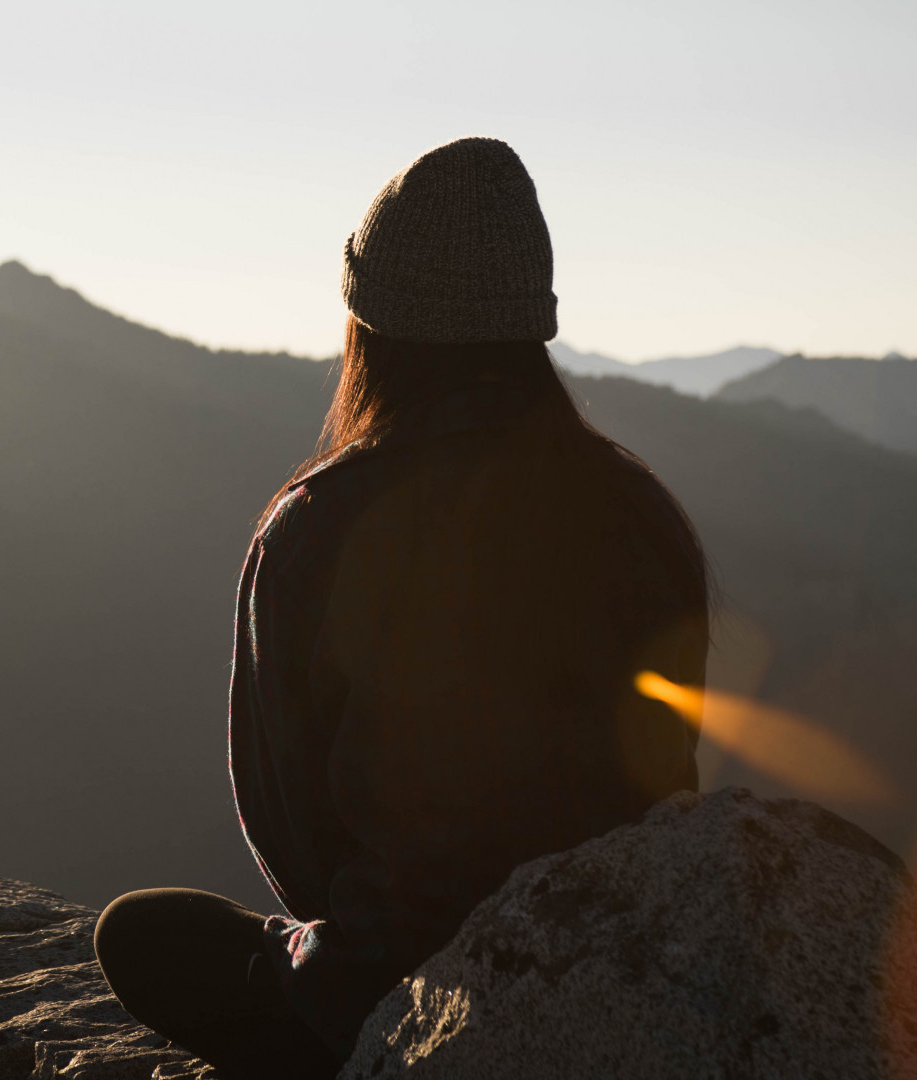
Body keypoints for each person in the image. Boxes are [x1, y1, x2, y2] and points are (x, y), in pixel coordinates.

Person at [93, 136, 711, 1077]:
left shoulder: (316, 526)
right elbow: (664, 774)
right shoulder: (639, 514)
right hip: (615, 974)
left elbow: (286, 818)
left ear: (369, 326)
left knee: (144, 935)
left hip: (398, 998)